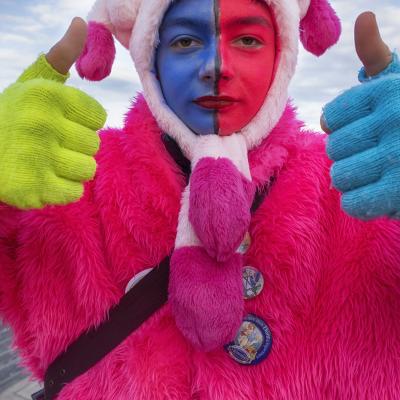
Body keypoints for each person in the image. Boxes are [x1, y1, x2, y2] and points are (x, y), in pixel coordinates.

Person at [0, 0, 399, 398]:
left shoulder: (353, 181)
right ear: (150, 58)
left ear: (281, 59)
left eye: (247, 39)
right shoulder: (69, 178)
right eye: (186, 41)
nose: (216, 67)